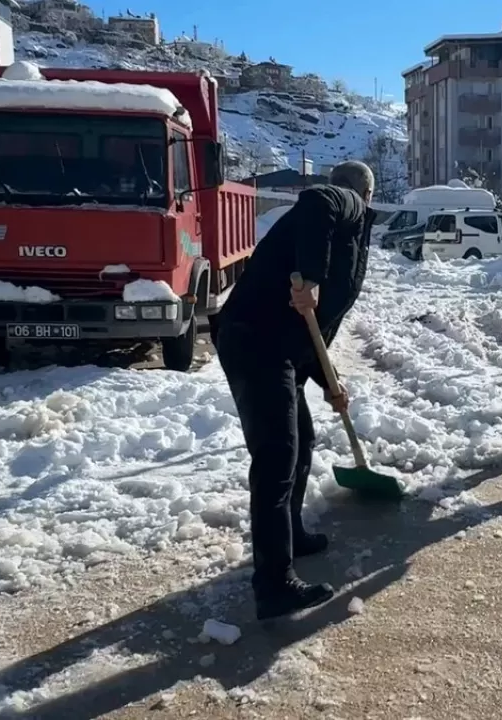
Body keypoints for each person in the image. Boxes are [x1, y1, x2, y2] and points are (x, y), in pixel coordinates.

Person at [215, 161, 377, 618]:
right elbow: (319, 199)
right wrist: (312, 277)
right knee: (277, 456)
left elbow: (317, 327)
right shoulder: (341, 202)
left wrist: (331, 383)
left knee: (301, 440)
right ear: (365, 195)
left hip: (278, 345)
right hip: (256, 341)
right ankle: (273, 584)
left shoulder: (345, 236)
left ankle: (292, 533)